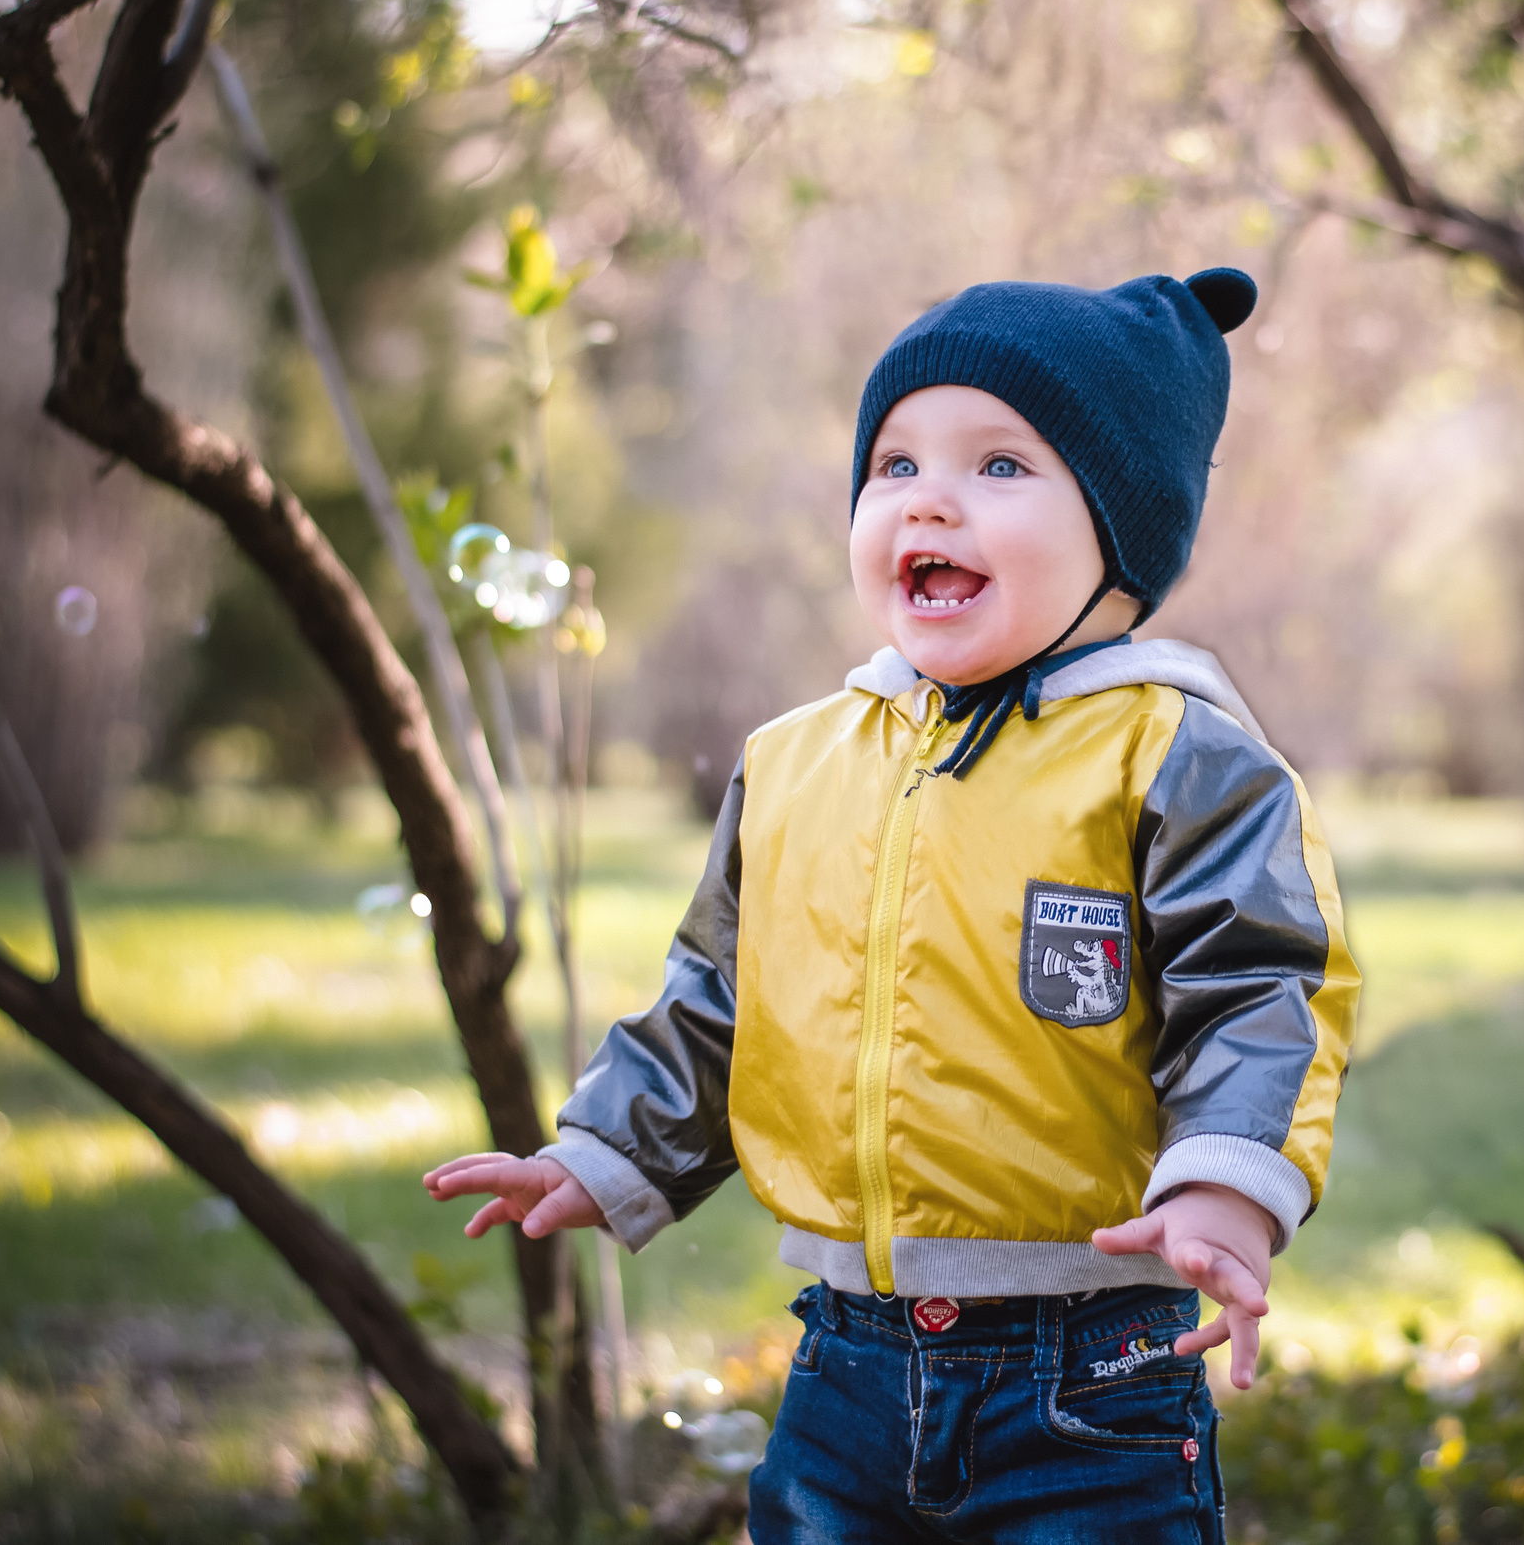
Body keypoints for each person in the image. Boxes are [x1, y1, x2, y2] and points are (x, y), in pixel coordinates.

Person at [424, 266, 1362, 1543]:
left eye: (1001, 467)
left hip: (1091, 1372)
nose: (929, 495)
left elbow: (1261, 986)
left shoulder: (1177, 757)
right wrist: (607, 1152)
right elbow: (720, 994)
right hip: (844, 1364)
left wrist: (1225, 1187)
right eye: (896, 464)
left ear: (1121, 538)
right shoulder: (795, 760)